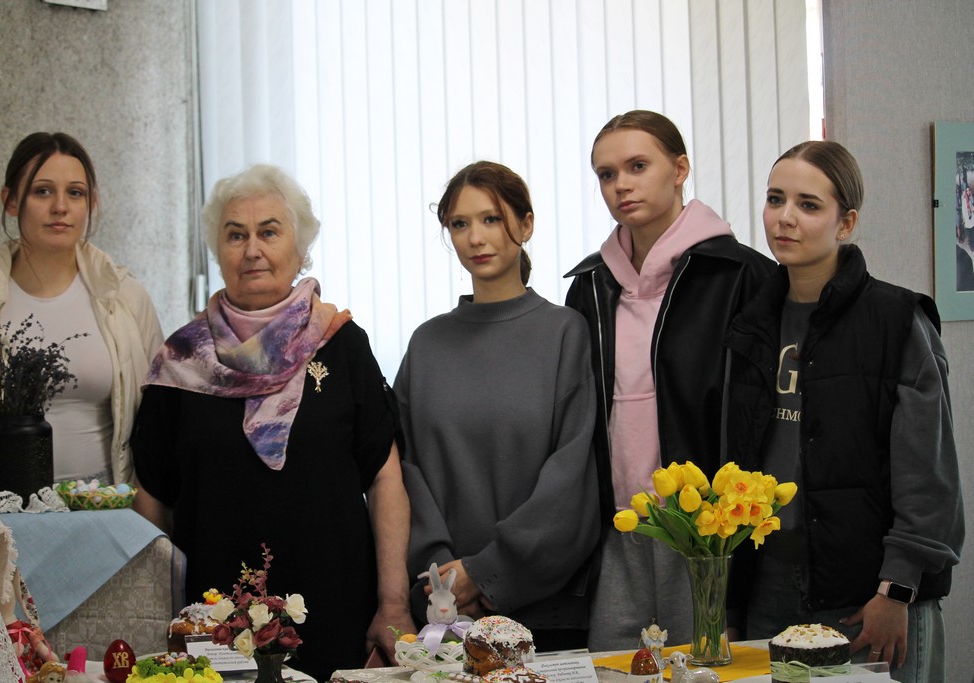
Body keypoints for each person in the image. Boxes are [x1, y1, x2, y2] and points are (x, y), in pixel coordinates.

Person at [132, 164, 414, 680]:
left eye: (268, 232)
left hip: (335, 606)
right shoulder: (179, 361)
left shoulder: (343, 345)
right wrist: (157, 618)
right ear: (218, 251)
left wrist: (392, 604)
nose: (252, 249)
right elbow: (151, 501)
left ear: (300, 249)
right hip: (213, 624)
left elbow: (384, 477)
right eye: (235, 235)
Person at [724, 141, 964, 683]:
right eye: (775, 199)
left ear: (846, 222)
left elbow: (929, 475)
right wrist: (733, 599)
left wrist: (896, 589)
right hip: (769, 583)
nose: (785, 217)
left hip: (871, 593)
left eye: (808, 204)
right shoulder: (750, 323)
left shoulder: (896, 319)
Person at [563, 111, 775, 649]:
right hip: (616, 529)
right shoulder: (589, 285)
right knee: (612, 671)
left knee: (705, 669)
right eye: (607, 174)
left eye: (638, 166)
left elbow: (759, 421)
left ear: (680, 169)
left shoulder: (740, 275)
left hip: (705, 530)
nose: (621, 185)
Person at [395, 161, 599, 651]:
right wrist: (445, 579)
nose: (475, 238)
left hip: (545, 612)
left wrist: (485, 572)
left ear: (526, 226)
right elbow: (404, 471)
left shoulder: (564, 332)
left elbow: (572, 477)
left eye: (491, 219)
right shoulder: (427, 344)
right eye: (459, 224)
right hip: (443, 615)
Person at [0, 132, 163, 489]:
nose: (60, 207)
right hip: (2, 511)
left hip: (107, 506)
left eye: (75, 193)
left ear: (91, 203)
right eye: (43, 191)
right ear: (10, 201)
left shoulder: (125, 297)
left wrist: (144, 511)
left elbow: (156, 421)